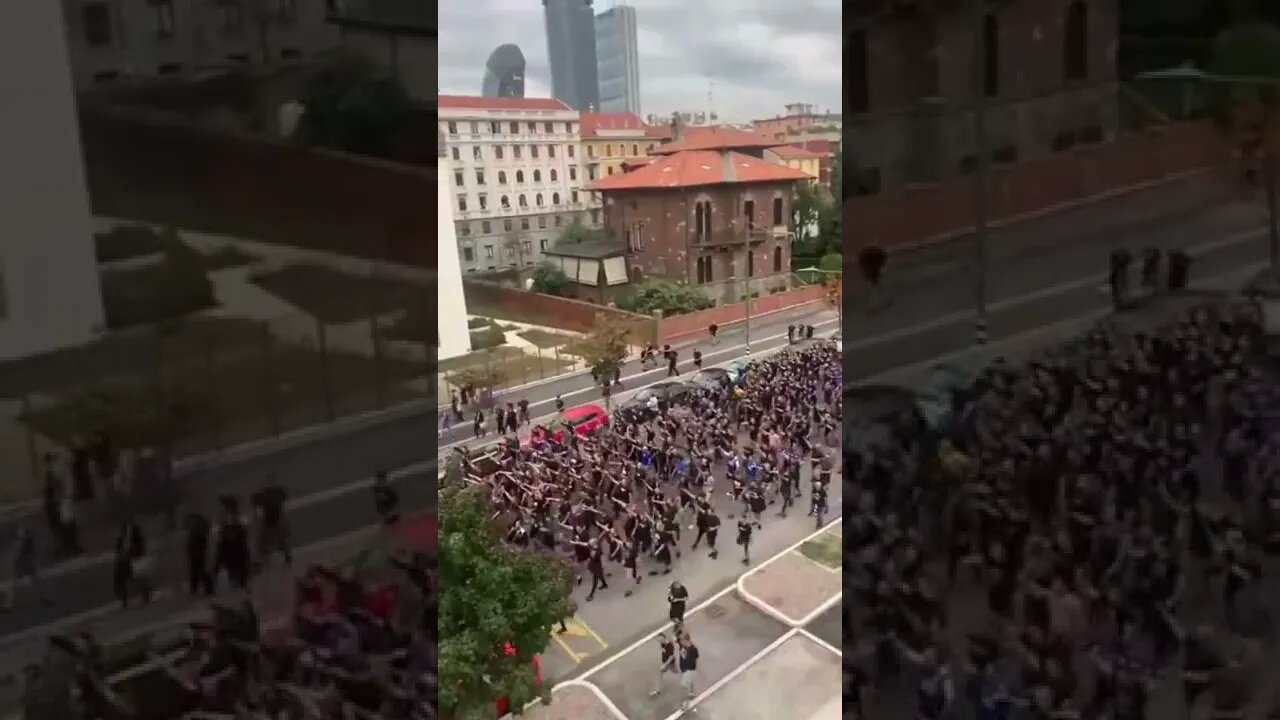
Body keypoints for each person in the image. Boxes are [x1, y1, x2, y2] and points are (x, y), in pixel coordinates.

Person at [253, 481, 291, 570]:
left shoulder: (266, 497)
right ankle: (287, 558)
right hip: (275, 523)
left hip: (270, 524)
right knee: (280, 542)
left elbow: (257, 503)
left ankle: (260, 562)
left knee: (263, 544)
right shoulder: (276, 496)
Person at [185, 511, 213, 596]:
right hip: (196, 553)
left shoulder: (198, 529)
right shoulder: (196, 529)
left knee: (199, 572)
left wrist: (191, 549)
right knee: (196, 572)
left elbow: (198, 542)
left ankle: (203, 589)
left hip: (198, 553)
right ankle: (196, 589)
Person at [650, 632, 679, 697]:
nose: (660, 641)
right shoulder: (662, 643)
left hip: (670, 664)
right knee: (659, 673)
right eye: (659, 640)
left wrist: (665, 665)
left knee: (677, 671)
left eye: (660, 640)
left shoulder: (670, 646)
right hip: (665, 663)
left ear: (664, 638)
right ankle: (657, 690)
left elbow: (671, 657)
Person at [677, 633, 700, 712]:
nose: (681, 642)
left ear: (687, 640)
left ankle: (685, 703)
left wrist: (690, 670)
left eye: (682, 641)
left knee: (684, 687)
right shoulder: (683, 647)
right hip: (685, 670)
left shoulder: (693, 649)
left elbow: (695, 659)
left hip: (689, 670)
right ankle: (691, 693)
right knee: (690, 683)